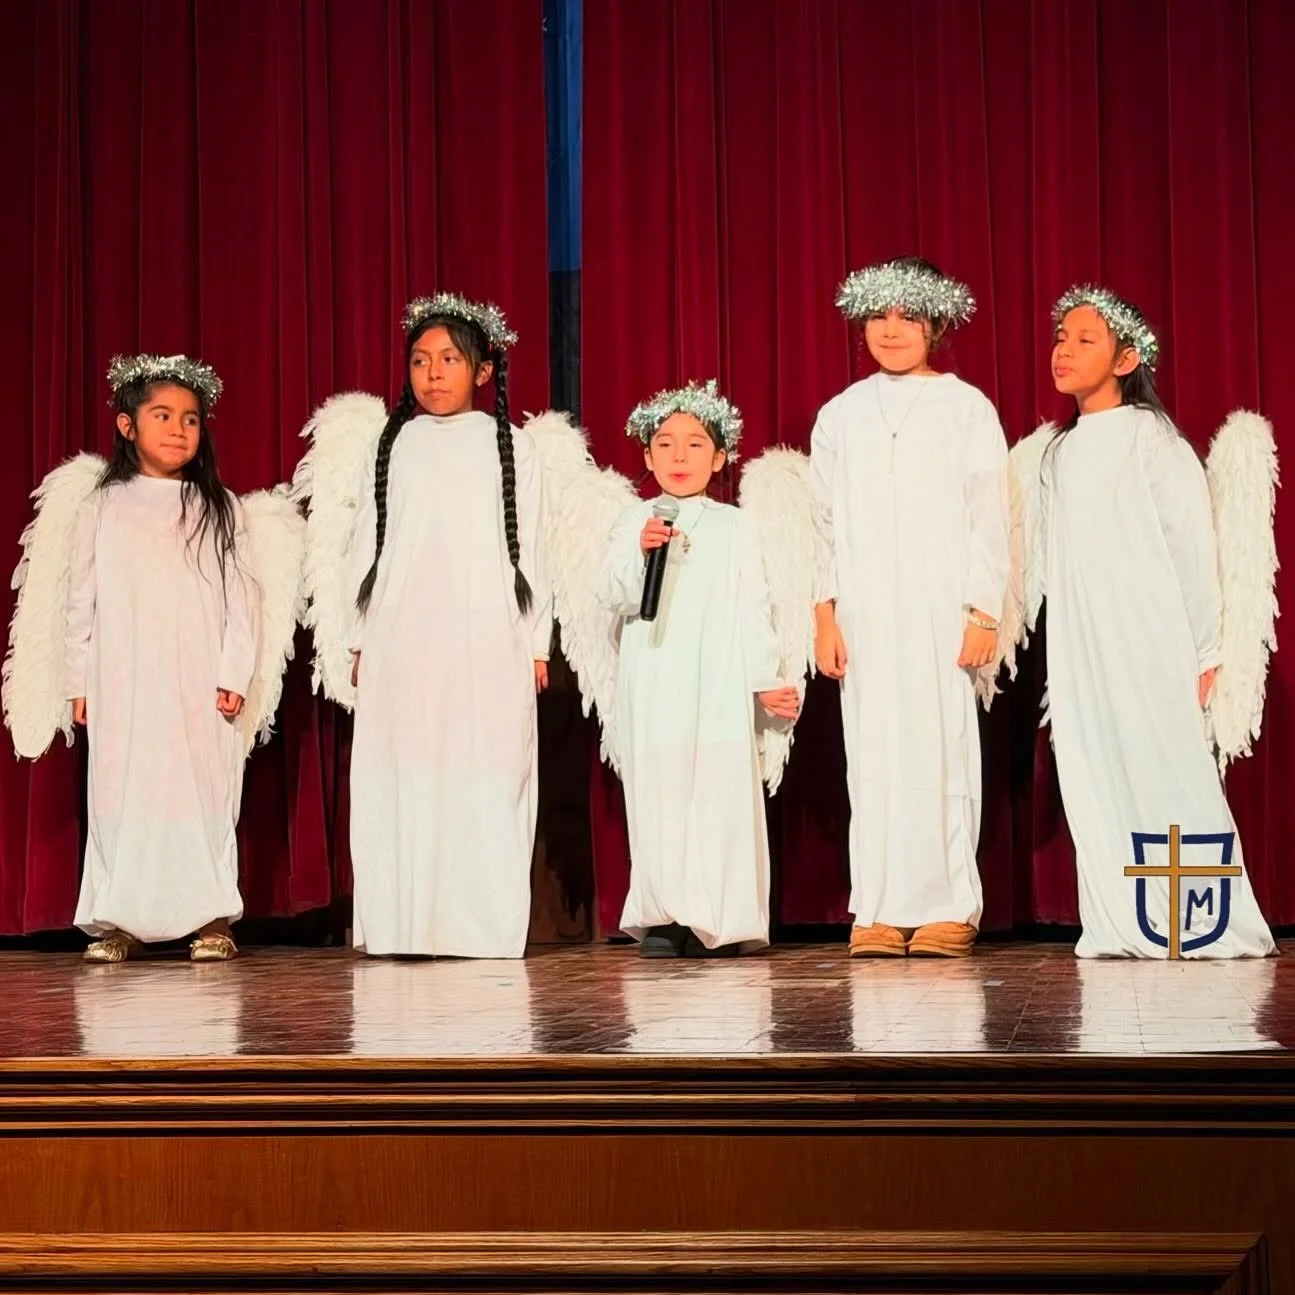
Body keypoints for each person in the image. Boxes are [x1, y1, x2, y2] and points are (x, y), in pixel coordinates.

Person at [294, 294, 551, 958]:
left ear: (483, 371)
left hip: (485, 632)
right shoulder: (394, 443)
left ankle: (478, 925)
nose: (433, 373)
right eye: (419, 360)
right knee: (405, 769)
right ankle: (405, 922)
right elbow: (365, 544)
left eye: (448, 359)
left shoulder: (511, 447)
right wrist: (357, 634)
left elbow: (533, 546)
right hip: (403, 634)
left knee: (484, 767)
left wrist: (536, 639)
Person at [809, 256, 1011, 958]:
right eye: (878, 315)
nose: (890, 330)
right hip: (866, 612)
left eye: (908, 316)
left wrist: (983, 609)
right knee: (871, 754)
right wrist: (824, 613)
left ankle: (948, 904)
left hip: (938, 606)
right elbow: (822, 523)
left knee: (940, 749)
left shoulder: (965, 406)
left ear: (936, 324)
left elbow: (990, 514)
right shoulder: (840, 414)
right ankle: (878, 905)